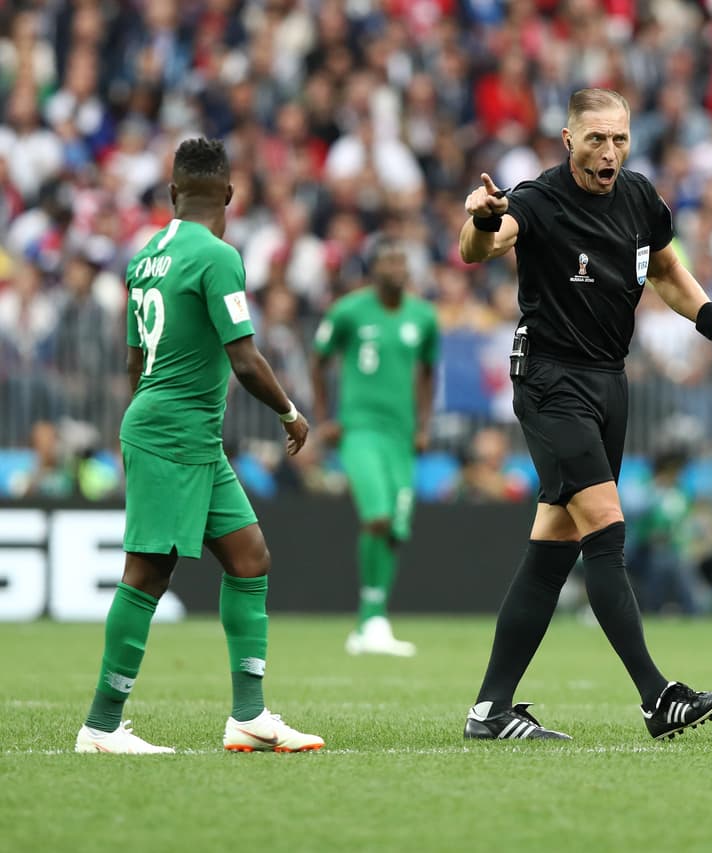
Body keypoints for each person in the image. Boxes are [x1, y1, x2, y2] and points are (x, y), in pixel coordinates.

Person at [457, 88, 712, 741]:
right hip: (549, 379)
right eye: (595, 138)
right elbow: (479, 247)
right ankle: (659, 696)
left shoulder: (638, 198)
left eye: (619, 139)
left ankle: (490, 709)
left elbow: (668, 272)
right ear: (567, 138)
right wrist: (483, 216)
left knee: (555, 546)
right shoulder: (536, 198)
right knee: (605, 523)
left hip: (609, 382)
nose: (609, 151)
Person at [75, 138, 323, 754]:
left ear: (171, 194)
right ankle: (101, 725)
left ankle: (248, 715)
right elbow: (244, 358)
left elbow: (134, 361)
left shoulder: (146, 255)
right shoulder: (218, 256)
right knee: (148, 573)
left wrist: (150, 416)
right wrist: (291, 413)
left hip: (182, 431)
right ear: (231, 195)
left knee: (249, 557)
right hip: (175, 432)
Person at [310, 237, 440, 657]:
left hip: (401, 436)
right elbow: (319, 359)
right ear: (373, 269)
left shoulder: (423, 316)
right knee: (378, 516)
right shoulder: (349, 310)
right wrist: (326, 418)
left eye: (403, 261)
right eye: (389, 261)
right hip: (360, 431)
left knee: (397, 529)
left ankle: (374, 620)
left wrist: (423, 425)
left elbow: (427, 371)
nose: (398, 269)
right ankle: (369, 622)